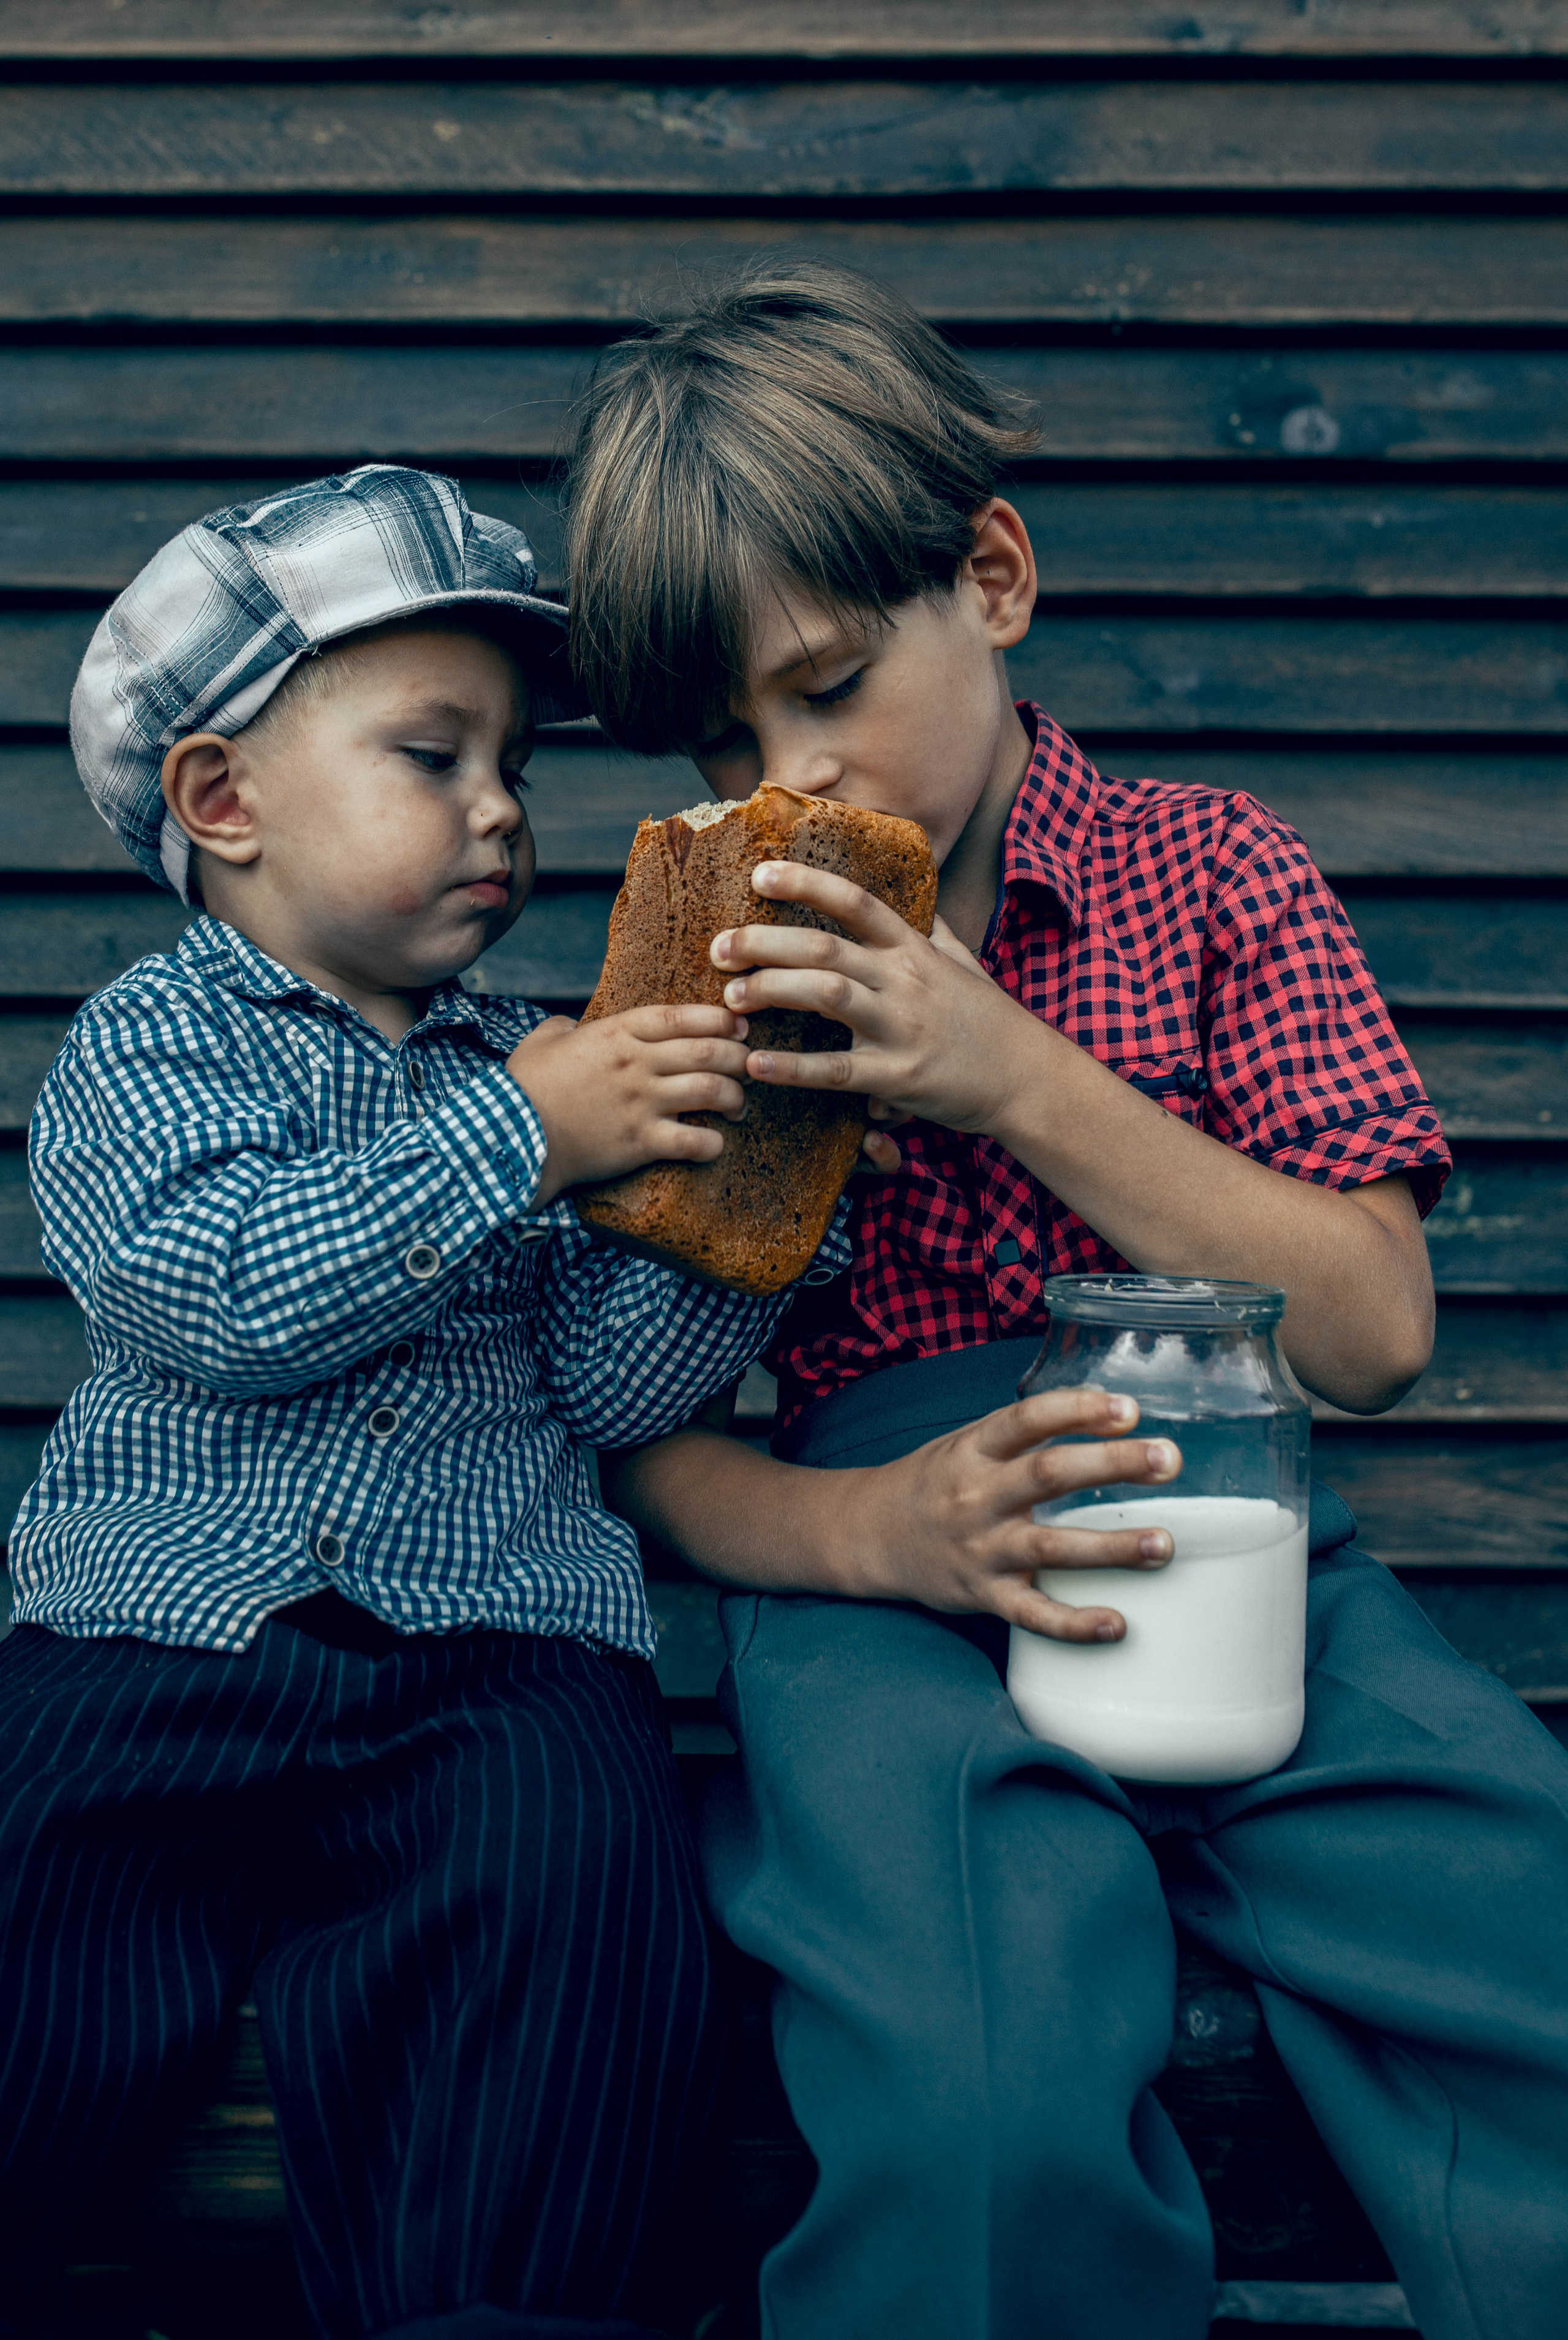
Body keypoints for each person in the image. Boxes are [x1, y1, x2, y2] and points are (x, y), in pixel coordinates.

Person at [562, 268, 1568, 2340]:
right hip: (879, 1587)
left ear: (995, 578)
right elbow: (641, 1441)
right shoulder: (698, 983)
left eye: (829, 686)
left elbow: (1374, 1332)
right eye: (729, 737)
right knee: (977, 2091)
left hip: (1250, 1539)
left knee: (1529, 1931)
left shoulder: (1216, 873)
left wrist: (1000, 1063)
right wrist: (871, 1528)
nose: (788, 774)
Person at [0, 466, 850, 2340]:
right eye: (432, 756)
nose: (500, 811)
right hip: (153, 1626)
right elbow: (212, 1290)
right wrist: (527, 1137)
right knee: (22, 1869)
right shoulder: (150, 1044)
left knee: (576, 1899)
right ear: (222, 803)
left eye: (516, 769)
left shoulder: (545, 1056)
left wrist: (749, 1187)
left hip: (501, 1649)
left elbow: (601, 1384)